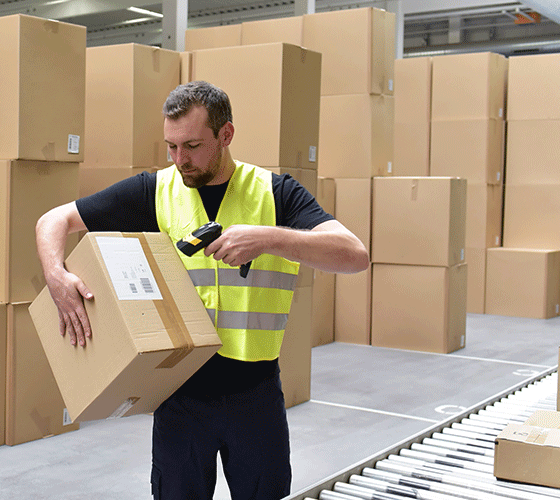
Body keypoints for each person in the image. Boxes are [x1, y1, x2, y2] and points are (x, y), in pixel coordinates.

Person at [35, 81, 369, 499]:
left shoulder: (275, 193)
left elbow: (354, 255)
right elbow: (53, 221)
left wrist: (269, 238)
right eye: (171, 147)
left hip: (255, 393)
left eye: (191, 146)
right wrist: (56, 276)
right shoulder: (154, 191)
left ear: (225, 135)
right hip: (180, 394)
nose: (179, 160)